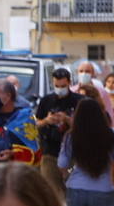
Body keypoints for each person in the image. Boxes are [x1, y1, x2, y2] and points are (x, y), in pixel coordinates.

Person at [34, 67, 82, 197]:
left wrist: (66, 119)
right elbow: (36, 124)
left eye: (63, 86)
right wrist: (47, 121)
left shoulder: (79, 101)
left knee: (73, 192)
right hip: (50, 152)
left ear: (69, 83)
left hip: (73, 154)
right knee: (51, 192)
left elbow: (85, 127)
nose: (60, 89)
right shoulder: (46, 101)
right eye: (57, 86)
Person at [0, 78, 40, 164]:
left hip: (16, 171)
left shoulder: (24, 119)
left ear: (8, 96)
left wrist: (13, 154)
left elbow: (34, 153)